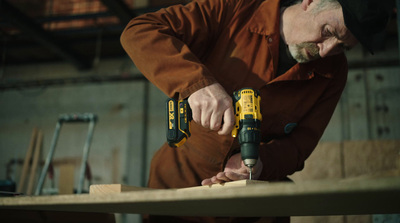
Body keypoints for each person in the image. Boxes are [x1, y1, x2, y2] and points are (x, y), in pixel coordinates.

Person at [121, 0, 391, 222]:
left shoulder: (334, 73)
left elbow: (300, 145)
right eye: (330, 31)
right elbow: (140, 31)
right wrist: (196, 85)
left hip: (254, 202)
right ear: (310, 2)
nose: (326, 51)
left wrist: (262, 163)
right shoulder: (236, 8)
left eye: (343, 47)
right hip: (179, 186)